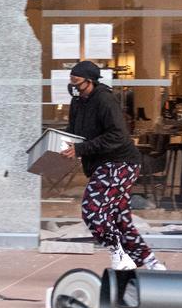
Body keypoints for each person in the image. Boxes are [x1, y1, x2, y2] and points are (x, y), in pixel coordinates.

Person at [60, 60, 166, 270]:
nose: (73, 86)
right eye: (71, 81)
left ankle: (119, 253)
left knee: (92, 210)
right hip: (105, 164)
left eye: (77, 82)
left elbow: (118, 134)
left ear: (90, 81)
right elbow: (74, 131)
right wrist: (54, 140)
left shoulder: (104, 100)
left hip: (121, 162)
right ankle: (150, 262)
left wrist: (81, 149)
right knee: (119, 217)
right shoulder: (78, 103)